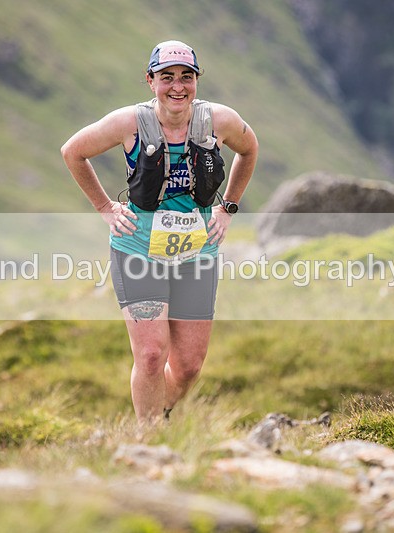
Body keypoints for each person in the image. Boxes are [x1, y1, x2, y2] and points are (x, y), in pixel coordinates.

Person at [61, 40, 258, 422]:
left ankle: (158, 413)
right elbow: (73, 151)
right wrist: (105, 207)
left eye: (187, 77)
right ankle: (147, 440)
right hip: (138, 250)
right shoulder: (129, 123)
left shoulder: (220, 121)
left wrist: (228, 207)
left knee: (188, 368)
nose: (178, 87)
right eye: (167, 77)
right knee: (151, 355)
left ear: (197, 81)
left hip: (196, 254)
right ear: (150, 81)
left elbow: (249, 150)